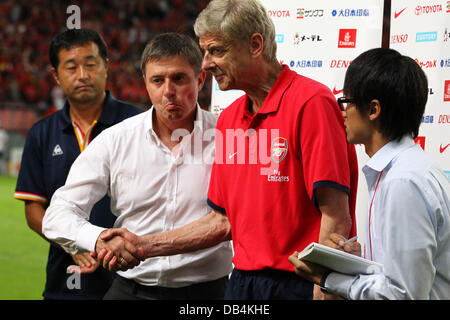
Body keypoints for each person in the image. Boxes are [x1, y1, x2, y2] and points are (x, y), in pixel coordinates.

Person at [97, 0, 359, 300]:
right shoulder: (230, 119)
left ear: (255, 45)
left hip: (298, 284)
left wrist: (324, 287)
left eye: (216, 51)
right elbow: (221, 221)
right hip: (241, 284)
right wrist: (144, 245)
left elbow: (336, 216)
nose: (206, 63)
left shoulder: (311, 103)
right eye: (205, 51)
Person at [42, 32, 233, 300]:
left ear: (200, 79)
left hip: (207, 293)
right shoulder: (115, 141)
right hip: (130, 290)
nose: (168, 91)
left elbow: (233, 222)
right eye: (158, 80)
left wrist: (141, 246)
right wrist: (99, 239)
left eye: (179, 78)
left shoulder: (229, 140)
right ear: (145, 84)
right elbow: (57, 214)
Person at [288, 48, 450, 300]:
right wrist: (358, 262)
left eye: (346, 102)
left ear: (373, 109)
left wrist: (328, 278)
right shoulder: (406, 171)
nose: (342, 112)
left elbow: (402, 294)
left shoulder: (403, 182)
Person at [14, 28, 142, 300]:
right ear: (56, 76)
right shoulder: (42, 133)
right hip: (66, 276)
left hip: (132, 276)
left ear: (106, 67)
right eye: (71, 67)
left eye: (91, 64)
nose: (82, 75)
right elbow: (34, 207)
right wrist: (72, 242)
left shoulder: (139, 124)